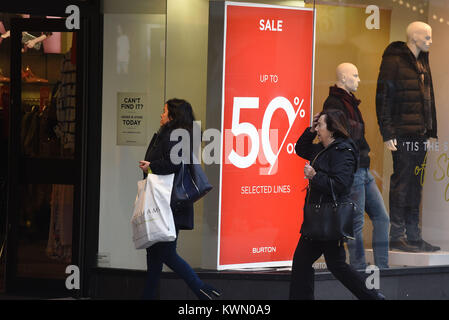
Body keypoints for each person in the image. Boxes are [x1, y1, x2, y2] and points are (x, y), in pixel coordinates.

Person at [289, 109, 384, 300]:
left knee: (335, 265)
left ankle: (372, 297)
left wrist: (315, 176)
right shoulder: (321, 149)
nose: (318, 130)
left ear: (332, 130)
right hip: (316, 219)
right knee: (305, 262)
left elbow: (341, 185)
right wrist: (310, 128)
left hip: (330, 219)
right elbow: (300, 148)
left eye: (321, 126)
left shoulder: (344, 152)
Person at [138, 98, 220, 300]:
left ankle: (202, 289)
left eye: (164, 111)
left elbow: (173, 165)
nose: (161, 115)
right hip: (165, 201)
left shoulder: (174, 136)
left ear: (173, 116)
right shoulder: (173, 135)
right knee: (155, 254)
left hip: (168, 202)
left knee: (165, 253)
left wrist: (151, 167)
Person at [376, 21, 439, 252]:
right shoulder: (393, 60)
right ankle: (397, 234)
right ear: (414, 37)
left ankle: (414, 235)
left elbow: (429, 98)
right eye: (427, 37)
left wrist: (432, 131)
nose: (431, 42)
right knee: (402, 183)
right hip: (402, 134)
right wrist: (387, 132)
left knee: (415, 185)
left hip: (420, 134)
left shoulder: (423, 61)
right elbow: (383, 97)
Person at [323, 63, 389, 270]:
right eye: (355, 75)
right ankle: (359, 268)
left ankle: (383, 266)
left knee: (381, 217)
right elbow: (339, 137)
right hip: (353, 171)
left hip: (363, 169)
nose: (359, 80)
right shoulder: (334, 103)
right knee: (356, 222)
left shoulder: (350, 102)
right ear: (343, 78)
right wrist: (352, 160)